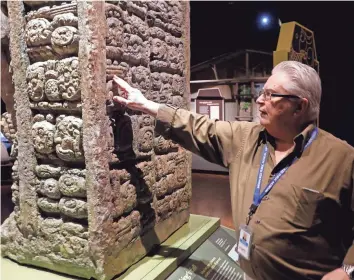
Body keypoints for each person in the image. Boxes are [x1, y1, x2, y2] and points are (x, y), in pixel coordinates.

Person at [112, 61, 354, 280]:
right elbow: (200, 127)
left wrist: (347, 271)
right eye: (263, 92)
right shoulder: (245, 139)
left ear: (299, 107)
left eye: (270, 95)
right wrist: (147, 106)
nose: (260, 100)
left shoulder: (341, 160)